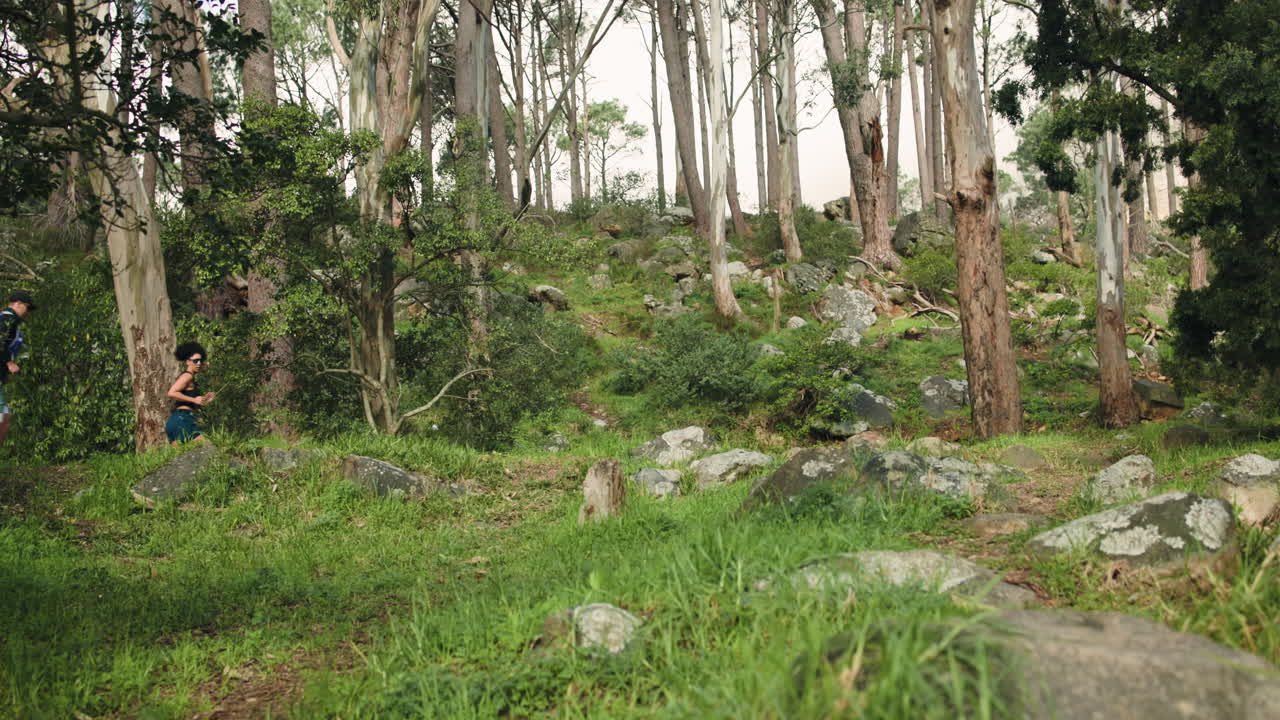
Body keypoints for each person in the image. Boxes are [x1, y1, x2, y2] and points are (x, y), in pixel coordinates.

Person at [0, 290, 35, 447]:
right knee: (4, 420)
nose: (28, 313)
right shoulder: (8, 319)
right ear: (18, 304)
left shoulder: (10, 319)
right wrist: (9, 362)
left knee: (5, 421)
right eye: (27, 308)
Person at [165, 342, 215, 445]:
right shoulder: (188, 376)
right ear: (187, 361)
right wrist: (194, 399)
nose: (199, 364)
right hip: (183, 419)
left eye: (200, 361)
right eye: (196, 361)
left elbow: (191, 402)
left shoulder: (190, 377)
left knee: (180, 459)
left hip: (176, 421)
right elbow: (171, 393)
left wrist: (204, 399)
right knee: (207, 447)